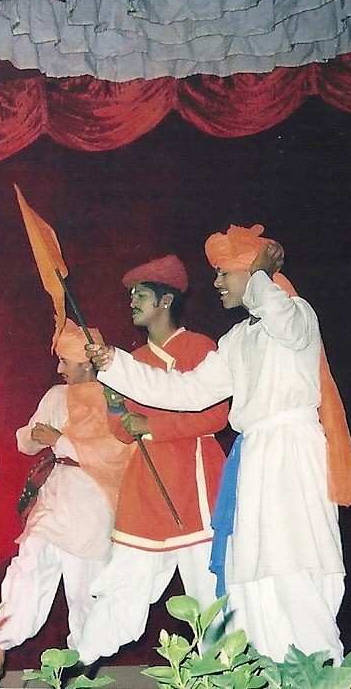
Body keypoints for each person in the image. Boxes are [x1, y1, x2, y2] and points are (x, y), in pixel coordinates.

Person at [87, 224, 351, 662]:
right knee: (250, 581)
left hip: (291, 453)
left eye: (224, 272)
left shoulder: (295, 315)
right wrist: (116, 366)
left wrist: (261, 276)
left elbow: (282, 320)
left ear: (253, 272)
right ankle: (274, 674)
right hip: (253, 459)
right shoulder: (237, 340)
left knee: (293, 568)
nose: (216, 282)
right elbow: (186, 392)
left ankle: (322, 671)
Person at [75, 255, 229, 665]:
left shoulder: (201, 348)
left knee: (210, 596)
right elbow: (122, 432)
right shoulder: (133, 359)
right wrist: (115, 407)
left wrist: (153, 425)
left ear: (165, 301)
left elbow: (217, 416)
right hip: (146, 488)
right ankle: (77, 665)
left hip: (195, 487)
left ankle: (222, 673)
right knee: (122, 584)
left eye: (140, 295)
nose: (132, 302)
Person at [0, 320, 133, 681]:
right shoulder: (55, 395)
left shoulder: (115, 397)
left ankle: (84, 663)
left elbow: (117, 453)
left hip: (92, 503)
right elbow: (26, 442)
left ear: (86, 363)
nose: (59, 369)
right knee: (27, 570)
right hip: (55, 495)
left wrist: (60, 441)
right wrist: (35, 436)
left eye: (65, 361)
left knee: (85, 589)